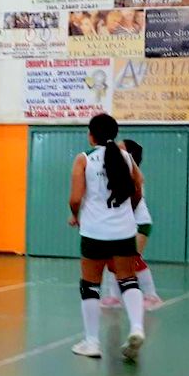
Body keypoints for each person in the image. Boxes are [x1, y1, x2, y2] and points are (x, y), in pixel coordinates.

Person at [70, 113, 146, 362]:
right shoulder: (126, 157)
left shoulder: (84, 159)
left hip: (94, 231)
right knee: (128, 280)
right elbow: (138, 188)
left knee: (90, 285)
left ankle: (92, 342)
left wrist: (75, 215)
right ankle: (137, 328)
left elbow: (75, 198)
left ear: (91, 135)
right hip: (124, 231)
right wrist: (128, 212)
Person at [101, 139, 162, 309]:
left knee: (132, 259)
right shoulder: (114, 172)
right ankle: (115, 297)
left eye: (120, 147)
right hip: (121, 225)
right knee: (113, 261)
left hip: (139, 224)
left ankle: (151, 295)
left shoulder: (133, 175)